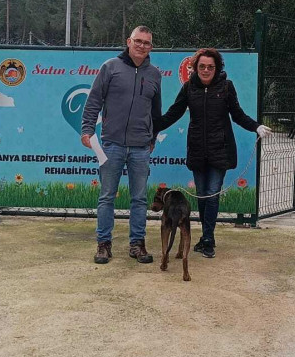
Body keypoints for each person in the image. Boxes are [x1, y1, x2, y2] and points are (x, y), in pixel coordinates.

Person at [154, 47, 270, 258]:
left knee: (212, 193)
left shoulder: (226, 87)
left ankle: (207, 239)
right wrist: (154, 126)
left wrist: (256, 127)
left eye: (210, 67)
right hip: (197, 150)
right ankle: (208, 236)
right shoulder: (189, 88)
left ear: (217, 68)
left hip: (220, 149)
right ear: (195, 68)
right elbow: (174, 113)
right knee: (202, 194)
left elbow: (237, 114)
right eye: (202, 66)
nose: (206, 70)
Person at [81, 26, 162, 265]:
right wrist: (87, 130)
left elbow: (156, 112)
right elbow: (93, 100)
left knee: (139, 199)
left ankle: (137, 244)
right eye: (138, 41)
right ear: (128, 41)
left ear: (151, 47)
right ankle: (103, 244)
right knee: (107, 196)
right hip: (111, 144)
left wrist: (152, 138)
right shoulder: (110, 67)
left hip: (141, 147)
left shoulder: (155, 74)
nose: (141, 46)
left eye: (147, 43)